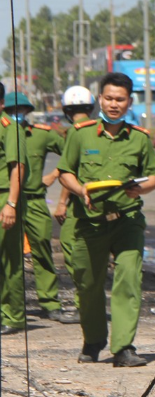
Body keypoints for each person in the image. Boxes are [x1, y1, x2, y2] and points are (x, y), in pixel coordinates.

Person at [58, 73, 155, 366]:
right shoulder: (81, 134)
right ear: (100, 99)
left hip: (127, 220)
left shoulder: (139, 138)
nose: (114, 104)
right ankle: (93, 341)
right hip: (89, 222)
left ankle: (124, 347)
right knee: (88, 285)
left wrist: (139, 189)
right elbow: (66, 172)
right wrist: (80, 190)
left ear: (129, 102)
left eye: (120, 99)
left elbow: (153, 176)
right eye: (109, 98)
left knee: (129, 278)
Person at [3, 92, 79, 323]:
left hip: (34, 200)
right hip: (8, 198)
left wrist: (55, 174)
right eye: (12, 110)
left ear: (27, 111)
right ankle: (11, 307)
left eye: (21, 110)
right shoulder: (4, 132)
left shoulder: (41, 135)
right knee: (8, 256)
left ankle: (50, 303)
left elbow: (72, 153)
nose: (17, 114)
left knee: (42, 251)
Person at [51, 85, 97, 305]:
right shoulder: (98, 128)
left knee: (71, 245)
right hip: (99, 200)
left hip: (80, 203)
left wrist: (61, 203)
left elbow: (69, 173)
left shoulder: (74, 133)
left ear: (66, 111)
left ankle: (85, 303)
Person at [0, 81, 27, 336]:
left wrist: (11, 203)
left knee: (10, 260)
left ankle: (14, 316)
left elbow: (17, 167)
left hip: (4, 198)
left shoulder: (10, 127)